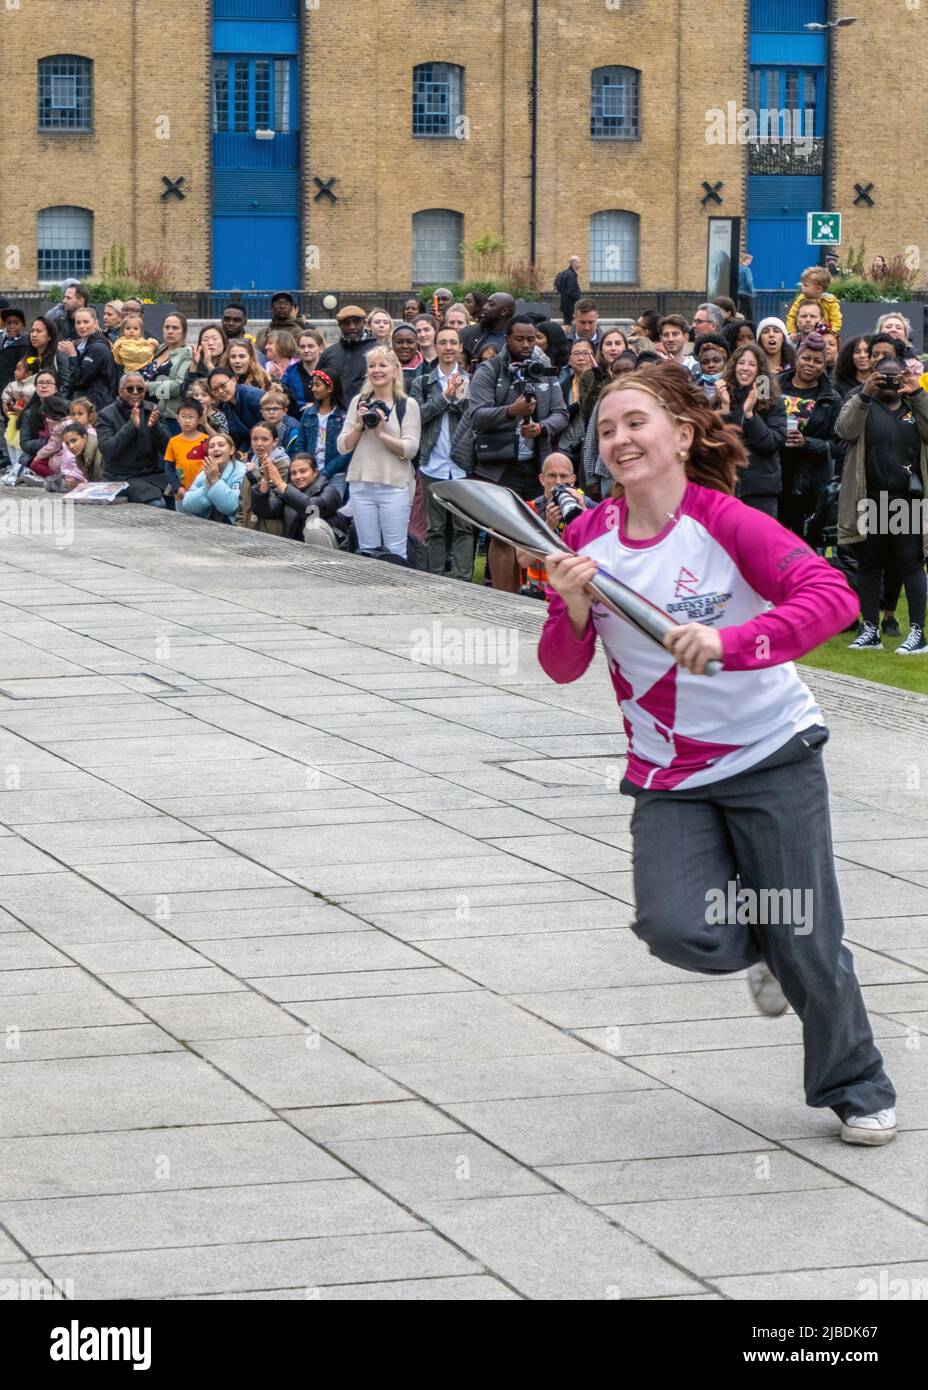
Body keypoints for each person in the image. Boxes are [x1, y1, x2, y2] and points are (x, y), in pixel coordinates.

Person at [538, 361, 897, 1147]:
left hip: (772, 752)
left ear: (682, 433)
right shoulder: (585, 540)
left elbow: (832, 598)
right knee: (675, 927)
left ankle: (856, 1084)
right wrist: (569, 604)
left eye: (636, 422)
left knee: (807, 936)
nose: (620, 439)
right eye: (606, 429)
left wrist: (731, 642)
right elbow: (562, 665)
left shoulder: (723, 522)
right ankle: (761, 945)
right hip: (670, 774)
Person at [468, 315, 568, 591]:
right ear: (507, 339)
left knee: (535, 532)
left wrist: (541, 427)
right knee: (502, 535)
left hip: (534, 466)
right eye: (519, 339)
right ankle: (504, 596)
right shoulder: (490, 370)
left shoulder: (544, 369)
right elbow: (477, 415)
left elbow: (561, 413)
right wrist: (512, 411)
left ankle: (535, 593)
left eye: (531, 339)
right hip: (499, 467)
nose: (526, 345)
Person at [836, 357, 928, 655]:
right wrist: (864, 392)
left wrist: (915, 392)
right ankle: (870, 629)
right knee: (870, 564)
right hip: (871, 497)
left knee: (911, 564)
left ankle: (918, 633)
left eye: (894, 376)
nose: (889, 382)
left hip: (907, 500)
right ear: (874, 376)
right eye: (883, 376)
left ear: (903, 376)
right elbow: (844, 430)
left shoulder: (914, 405)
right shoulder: (862, 401)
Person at [338, 347, 421, 560]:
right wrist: (358, 425)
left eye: (382, 365)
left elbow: (410, 449)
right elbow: (342, 446)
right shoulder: (359, 401)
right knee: (366, 548)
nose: (377, 370)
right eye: (372, 366)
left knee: (395, 549)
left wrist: (382, 434)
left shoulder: (407, 405)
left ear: (395, 370)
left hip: (393, 485)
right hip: (361, 483)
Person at [411, 325, 474, 580]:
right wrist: (444, 399)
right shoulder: (423, 382)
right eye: (443, 342)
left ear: (460, 347)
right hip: (431, 463)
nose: (448, 347)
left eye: (453, 342)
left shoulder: (470, 379)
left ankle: (463, 578)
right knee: (435, 527)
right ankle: (435, 574)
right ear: (435, 347)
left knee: (464, 526)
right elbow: (418, 416)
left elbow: (472, 416)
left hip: (461, 464)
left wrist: (455, 398)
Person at [777, 331, 842, 539]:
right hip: (774, 476)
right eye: (806, 358)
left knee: (803, 544)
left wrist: (807, 443)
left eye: (817, 361)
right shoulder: (770, 384)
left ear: (824, 365)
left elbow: (838, 444)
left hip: (809, 484)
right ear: (796, 358)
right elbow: (754, 417)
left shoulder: (832, 398)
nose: (810, 364)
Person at [717, 342, 787, 516]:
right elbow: (716, 443)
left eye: (752, 364)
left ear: (760, 371)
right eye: (741, 363)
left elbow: (771, 442)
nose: (745, 368)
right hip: (727, 488)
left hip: (760, 492)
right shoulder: (722, 398)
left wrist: (750, 415)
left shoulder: (770, 401)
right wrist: (725, 409)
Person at [518, 452, 596, 597]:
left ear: (573, 479)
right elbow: (522, 560)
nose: (558, 482)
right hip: (539, 597)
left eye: (564, 476)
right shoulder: (530, 509)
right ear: (542, 479)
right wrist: (547, 528)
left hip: (577, 597)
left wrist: (584, 516)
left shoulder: (590, 507)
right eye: (552, 476)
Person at [96, 373, 172, 505]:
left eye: (140, 389)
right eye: (130, 389)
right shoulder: (106, 414)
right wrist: (131, 426)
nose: (136, 392)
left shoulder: (153, 410)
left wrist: (156, 428)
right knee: (157, 504)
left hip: (152, 474)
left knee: (179, 496)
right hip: (121, 476)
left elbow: (169, 449)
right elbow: (107, 450)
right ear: (120, 391)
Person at [251, 450, 343, 548]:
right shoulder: (287, 493)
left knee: (313, 527)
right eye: (293, 473)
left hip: (332, 554)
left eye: (303, 471)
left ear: (315, 472)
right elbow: (263, 510)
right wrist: (266, 478)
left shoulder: (330, 491)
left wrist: (279, 482)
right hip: (294, 551)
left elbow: (311, 508)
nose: (298, 476)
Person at [295, 369, 351, 498]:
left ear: (330, 388)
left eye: (317, 385)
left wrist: (326, 472)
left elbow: (347, 451)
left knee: (332, 511)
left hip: (336, 474)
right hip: (309, 474)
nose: (313, 389)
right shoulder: (308, 414)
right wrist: (307, 468)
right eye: (312, 385)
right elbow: (300, 444)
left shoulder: (344, 416)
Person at [141, 313, 193, 437]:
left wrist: (147, 386)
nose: (170, 331)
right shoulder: (159, 349)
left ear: (184, 332)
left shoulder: (187, 354)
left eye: (175, 328)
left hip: (169, 417)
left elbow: (177, 386)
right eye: (167, 327)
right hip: (147, 411)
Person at [180, 431, 245, 524]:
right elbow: (187, 503)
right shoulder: (204, 473)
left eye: (221, 445)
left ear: (231, 450)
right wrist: (207, 488)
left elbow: (232, 507)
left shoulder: (241, 471)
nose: (216, 449)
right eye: (211, 446)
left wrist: (214, 481)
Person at [61, 308, 119, 410]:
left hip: (98, 405)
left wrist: (73, 355)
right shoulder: (84, 344)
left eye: (86, 322)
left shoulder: (97, 348)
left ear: (96, 323)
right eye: (78, 322)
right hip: (89, 403)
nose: (82, 326)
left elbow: (80, 380)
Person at [318, 305, 376, 406]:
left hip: (367, 410)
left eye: (356, 322)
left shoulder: (378, 351)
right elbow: (318, 382)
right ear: (339, 325)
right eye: (346, 323)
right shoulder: (329, 353)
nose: (352, 327)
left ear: (365, 323)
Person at [206, 367, 264, 450]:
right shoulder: (226, 406)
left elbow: (270, 426)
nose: (220, 391)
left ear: (234, 380)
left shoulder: (252, 396)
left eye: (223, 385)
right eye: (215, 389)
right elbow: (240, 436)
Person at [163, 396, 209, 501]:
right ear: (177, 419)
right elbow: (169, 468)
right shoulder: (173, 441)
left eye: (191, 416)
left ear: (199, 419)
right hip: (181, 493)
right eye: (183, 416)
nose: (187, 420)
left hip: (203, 492)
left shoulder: (207, 440)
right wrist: (177, 488)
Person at [785, 265, 842, 336]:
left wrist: (832, 333)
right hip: (804, 335)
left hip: (824, 336)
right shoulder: (800, 300)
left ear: (818, 289)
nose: (802, 287)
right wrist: (792, 331)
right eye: (802, 284)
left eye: (806, 285)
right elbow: (791, 317)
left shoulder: (830, 302)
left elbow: (836, 320)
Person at [462, 292, 515, 364]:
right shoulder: (466, 332)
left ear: (504, 311)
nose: (484, 307)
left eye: (491, 305)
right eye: (486, 303)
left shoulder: (512, 341)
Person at [282, 329, 326, 412]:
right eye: (302, 347)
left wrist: (316, 405)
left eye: (311, 346)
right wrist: (304, 405)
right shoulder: (290, 372)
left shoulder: (328, 371)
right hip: (298, 417)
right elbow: (284, 398)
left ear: (320, 348)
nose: (306, 350)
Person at [259, 387, 300, 457]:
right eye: (267, 409)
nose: (271, 412)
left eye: (276, 408)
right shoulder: (258, 431)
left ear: (285, 411)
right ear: (262, 412)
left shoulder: (292, 433)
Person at [185, 323, 229, 389]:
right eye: (205, 340)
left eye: (215, 339)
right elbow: (185, 393)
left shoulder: (230, 364)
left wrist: (209, 364)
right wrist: (194, 365)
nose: (210, 343)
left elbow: (224, 389)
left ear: (224, 342)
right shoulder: (196, 364)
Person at [692, 333, 730, 402]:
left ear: (725, 362)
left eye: (716, 361)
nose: (711, 365)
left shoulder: (733, 389)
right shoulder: (693, 391)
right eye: (705, 362)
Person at [833, 335, 872, 400]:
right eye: (857, 352)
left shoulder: (880, 384)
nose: (862, 356)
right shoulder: (839, 386)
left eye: (867, 351)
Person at [0, 307, 27, 392]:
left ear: (23, 324)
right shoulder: (2, 339)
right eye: (9, 323)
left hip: (10, 387)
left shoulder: (24, 345)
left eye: (16, 323)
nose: (12, 326)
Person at [392, 323, 424, 391]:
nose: (405, 346)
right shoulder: (382, 369)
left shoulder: (427, 371)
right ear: (392, 343)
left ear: (417, 344)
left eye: (410, 342)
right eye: (399, 342)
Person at [555, 256, 582, 326]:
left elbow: (561, 289)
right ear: (574, 263)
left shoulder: (565, 273)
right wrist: (579, 299)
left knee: (567, 323)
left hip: (565, 304)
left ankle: (565, 335)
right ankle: (566, 336)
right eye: (579, 262)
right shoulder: (571, 275)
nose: (580, 264)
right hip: (571, 306)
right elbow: (571, 291)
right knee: (569, 324)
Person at [738, 251, 755, 318]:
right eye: (750, 260)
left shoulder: (738, 268)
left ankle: (750, 322)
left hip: (739, 292)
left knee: (748, 310)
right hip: (746, 293)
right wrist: (752, 290)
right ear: (746, 260)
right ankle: (737, 321)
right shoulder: (747, 269)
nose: (751, 262)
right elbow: (749, 281)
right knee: (743, 310)